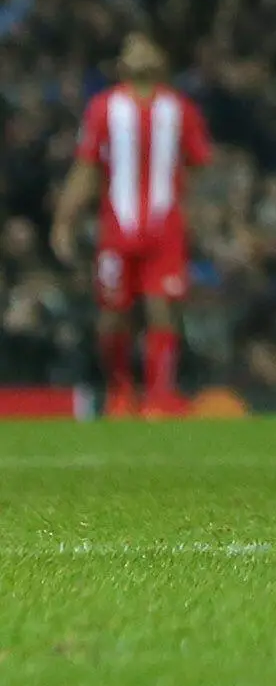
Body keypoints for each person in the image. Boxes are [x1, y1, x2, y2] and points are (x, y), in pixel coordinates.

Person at [50, 32, 214, 417]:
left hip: (165, 228)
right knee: (112, 313)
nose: (138, 52)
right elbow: (86, 168)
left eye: (146, 46)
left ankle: (158, 396)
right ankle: (120, 390)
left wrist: (207, 216)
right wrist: (64, 221)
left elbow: (202, 167)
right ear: (121, 63)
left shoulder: (181, 110)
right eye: (129, 48)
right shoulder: (104, 108)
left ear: (161, 58)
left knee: (162, 308)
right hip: (117, 229)